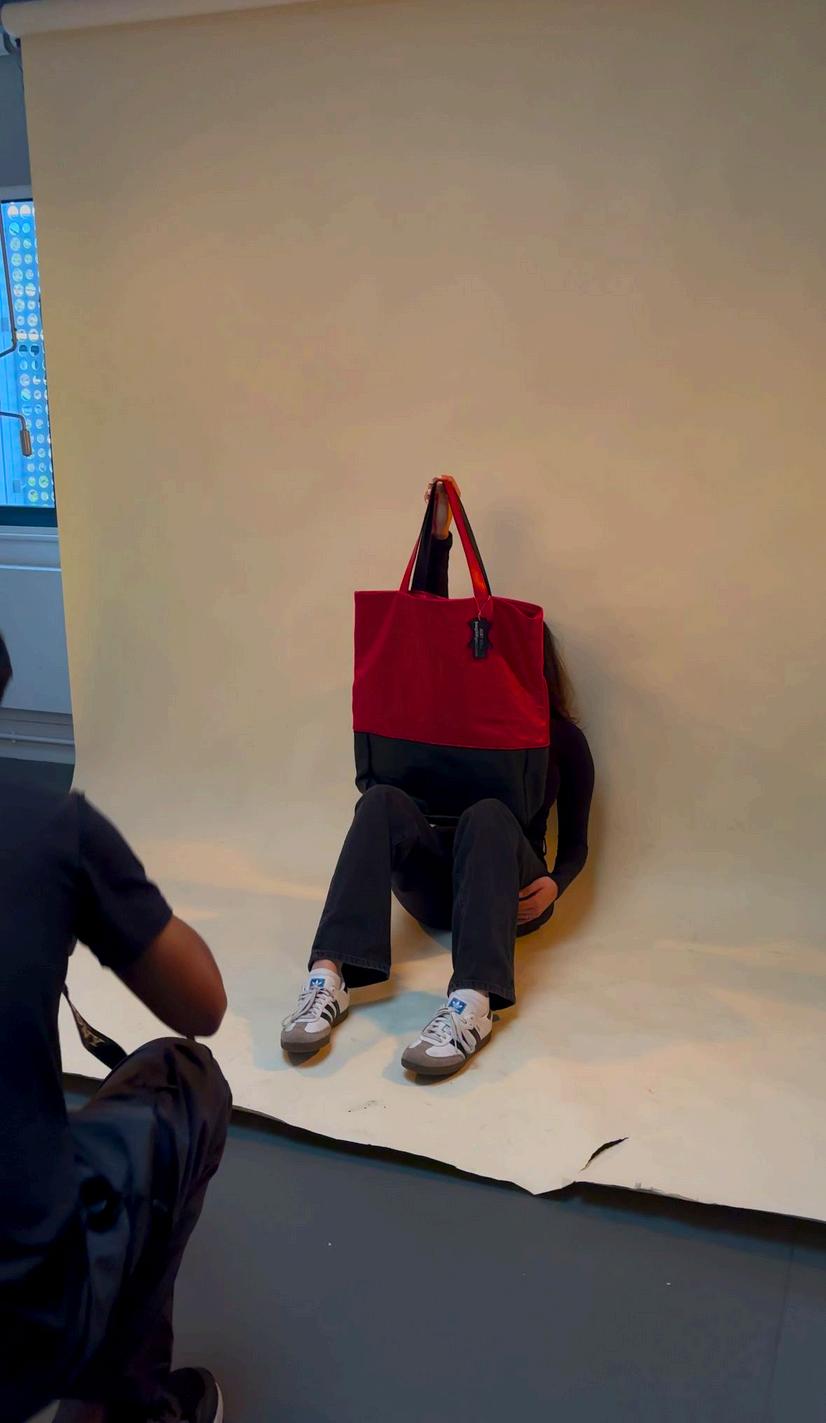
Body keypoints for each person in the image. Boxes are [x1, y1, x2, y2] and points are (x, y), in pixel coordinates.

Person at [282, 478, 595, 1078]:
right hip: (432, 888)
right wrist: (438, 537)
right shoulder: (446, 717)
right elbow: (426, 634)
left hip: (510, 893)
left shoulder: (565, 742)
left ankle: (473, 1003)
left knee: (488, 814)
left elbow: (577, 841)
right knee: (379, 801)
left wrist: (556, 884)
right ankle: (328, 976)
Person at [0, 631, 231, 1423]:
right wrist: (88, 897)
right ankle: (128, 1409)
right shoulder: (50, 829)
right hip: (23, 1323)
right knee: (185, 1079)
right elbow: (203, 1006)